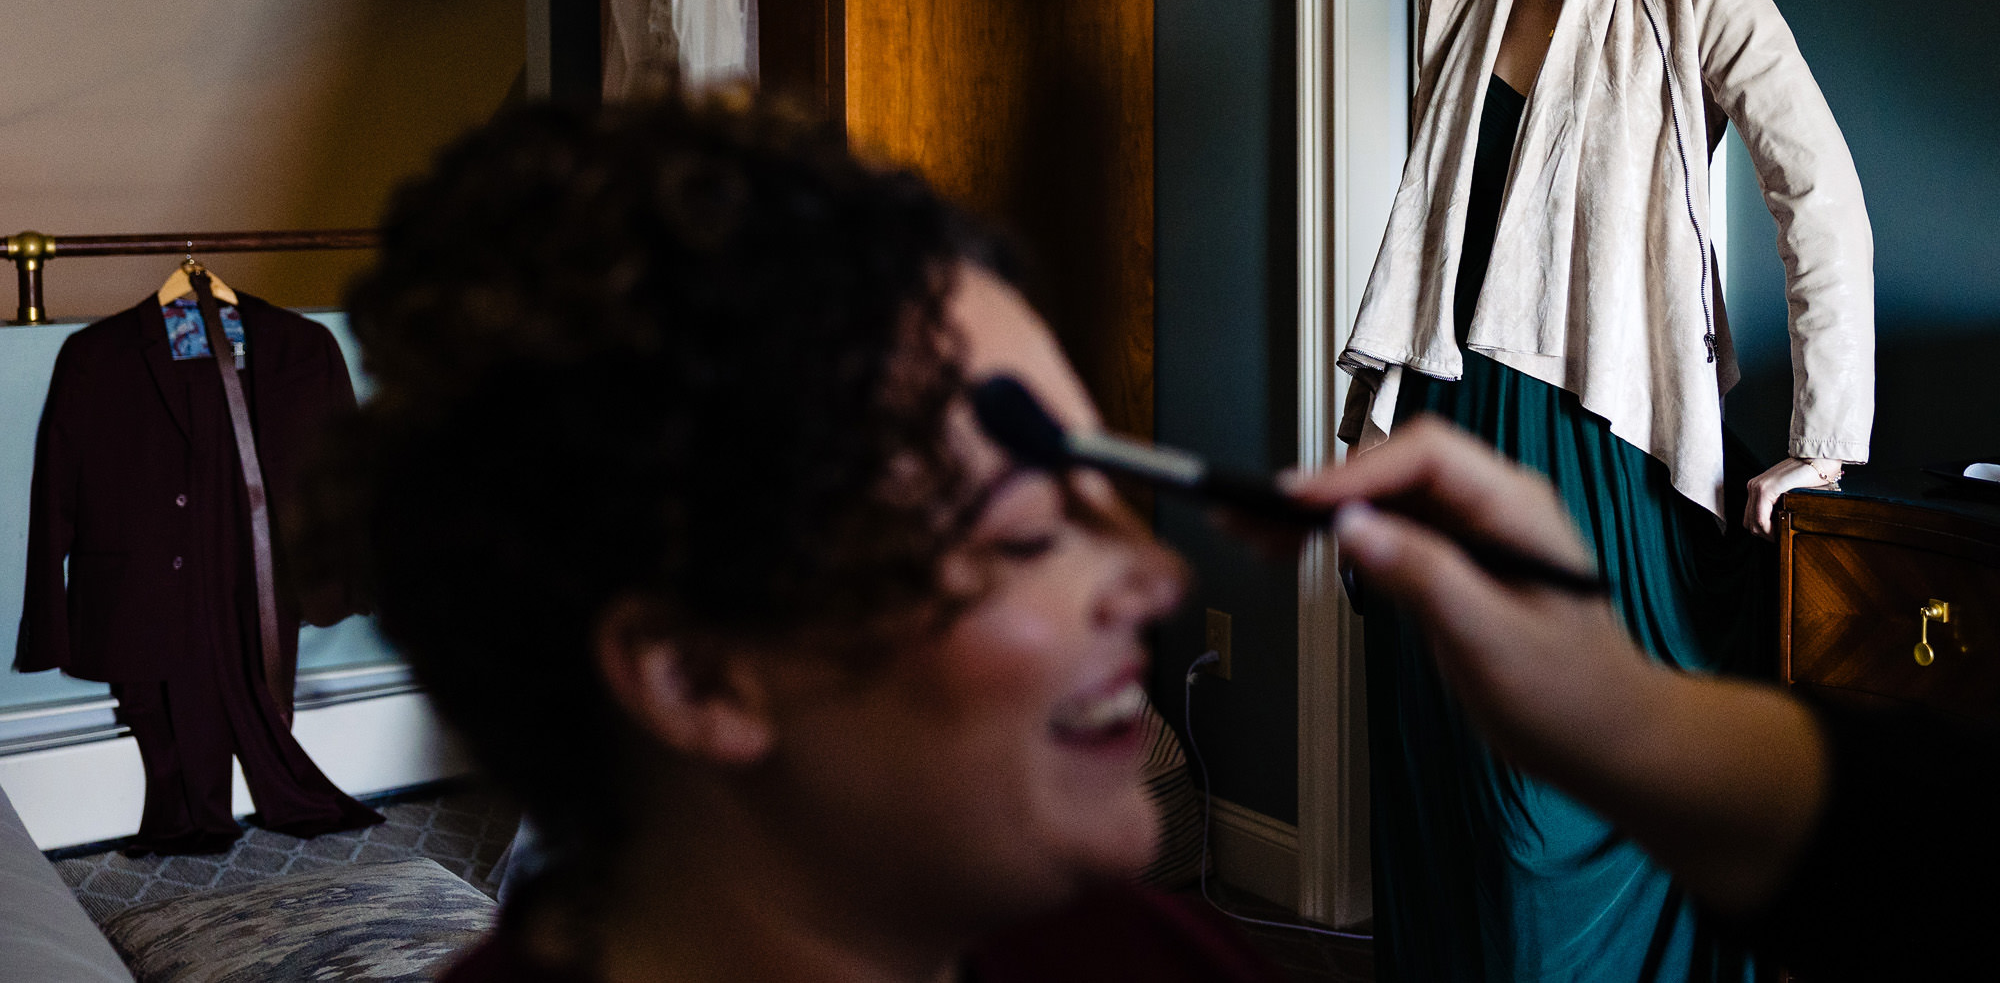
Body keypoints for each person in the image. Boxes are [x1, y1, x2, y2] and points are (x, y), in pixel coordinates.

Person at [304, 101, 1282, 983]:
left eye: (1109, 488)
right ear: (700, 676)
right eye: (1028, 535)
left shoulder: (1153, 955)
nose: (1158, 573)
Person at [1337, 0, 1873, 982]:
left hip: (1598, 441)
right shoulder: (1447, 10)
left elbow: (1819, 192)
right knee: (1445, 786)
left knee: (1553, 806)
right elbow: (1432, 253)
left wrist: (1822, 444)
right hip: (1442, 428)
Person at [1299, 418, 1997, 983]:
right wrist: (1373, 421)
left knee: (1537, 824)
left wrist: (1821, 445)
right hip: (1454, 398)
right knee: (1458, 784)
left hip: (1611, 411)